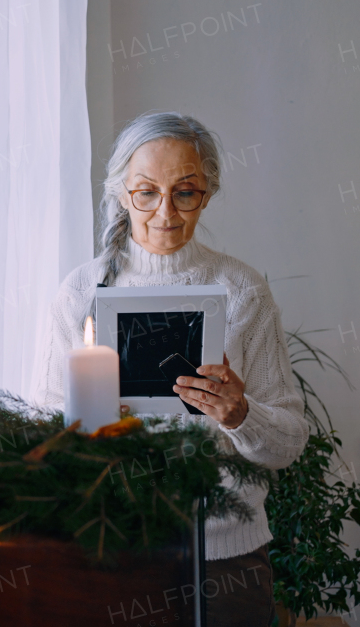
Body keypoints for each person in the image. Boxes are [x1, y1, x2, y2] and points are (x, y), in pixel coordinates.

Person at [35, 112, 309, 626]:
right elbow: (43, 430)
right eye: (146, 193)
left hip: (227, 558)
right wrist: (86, 428)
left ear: (207, 194)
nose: (165, 213)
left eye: (186, 193)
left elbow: (289, 444)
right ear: (121, 193)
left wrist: (240, 414)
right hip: (115, 548)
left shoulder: (243, 289)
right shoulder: (80, 292)